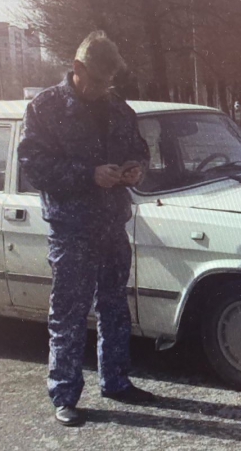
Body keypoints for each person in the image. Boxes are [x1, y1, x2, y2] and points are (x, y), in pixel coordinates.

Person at [19, 31, 154, 427]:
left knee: (114, 306)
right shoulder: (44, 108)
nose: (100, 90)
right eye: (95, 81)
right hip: (72, 228)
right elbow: (34, 167)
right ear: (77, 69)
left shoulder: (116, 107)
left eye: (107, 83)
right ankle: (65, 395)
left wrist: (135, 169)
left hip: (112, 221)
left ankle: (116, 380)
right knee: (69, 313)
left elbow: (140, 148)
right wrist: (88, 174)